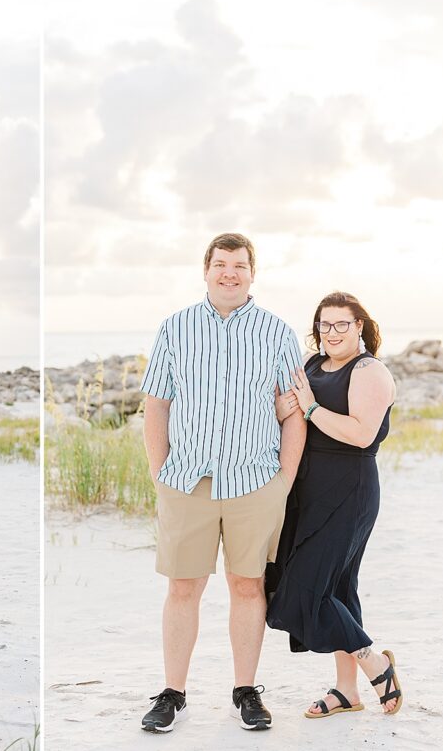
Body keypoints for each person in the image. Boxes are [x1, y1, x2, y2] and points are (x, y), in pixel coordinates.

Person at [138, 233, 306, 733]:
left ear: (252, 273)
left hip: (255, 482)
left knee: (247, 586)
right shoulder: (175, 328)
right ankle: (173, 693)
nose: (229, 273)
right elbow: (157, 405)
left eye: (238, 265)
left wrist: (285, 480)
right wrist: (159, 473)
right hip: (186, 481)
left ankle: (245, 691)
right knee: (183, 587)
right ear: (205, 270)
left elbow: (293, 410)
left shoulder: (277, 332)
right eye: (220, 264)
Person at [265, 291, 403, 718]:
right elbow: (292, 417)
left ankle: (375, 664)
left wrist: (309, 407)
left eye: (342, 324)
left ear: (359, 326)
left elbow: (362, 433)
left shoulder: (370, 371)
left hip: (350, 489)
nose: (332, 332)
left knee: (307, 589)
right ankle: (347, 691)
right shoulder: (312, 365)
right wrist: (283, 408)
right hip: (306, 489)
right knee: (338, 589)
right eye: (325, 325)